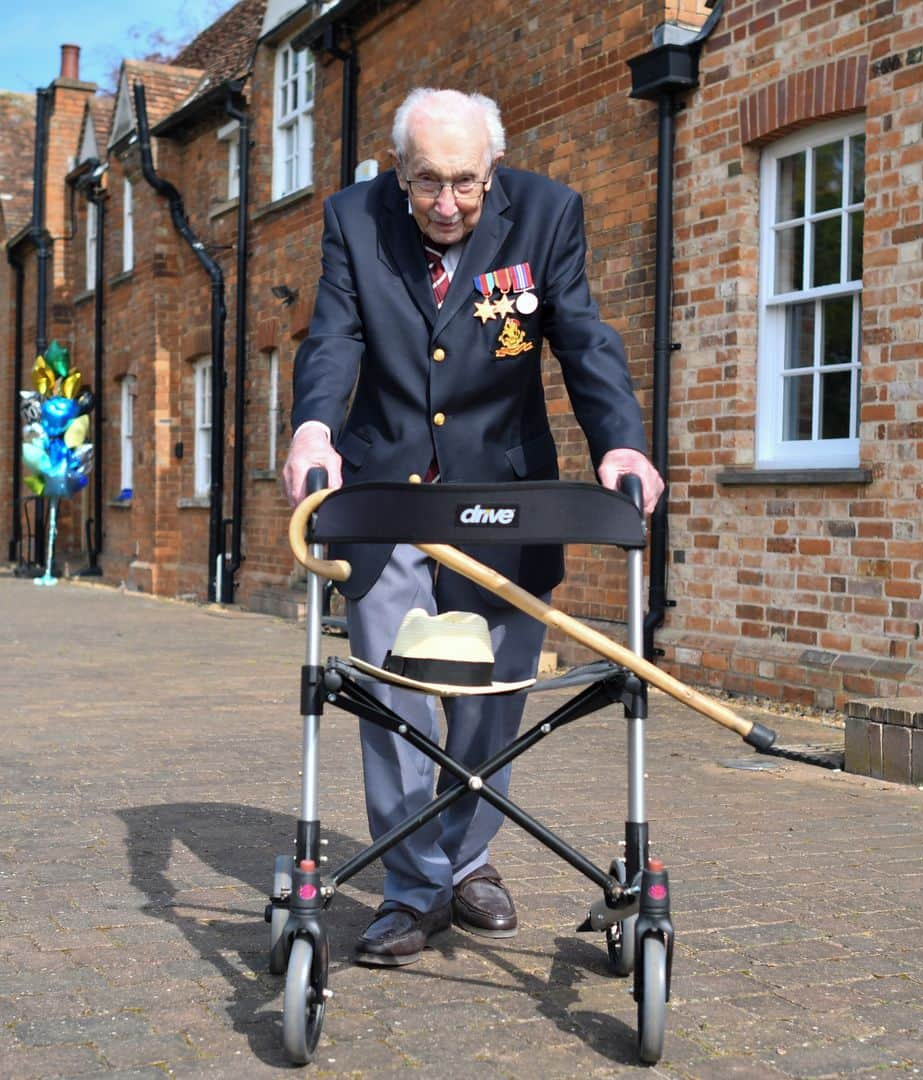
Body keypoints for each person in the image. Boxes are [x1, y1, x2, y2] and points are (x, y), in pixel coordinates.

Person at [284, 88, 664, 967]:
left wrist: (621, 448)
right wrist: (312, 429)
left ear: (493, 171)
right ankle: (415, 888)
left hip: (507, 489)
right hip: (386, 493)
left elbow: (583, 338)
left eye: (465, 183)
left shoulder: (548, 213)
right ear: (396, 170)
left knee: (494, 701)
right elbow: (333, 338)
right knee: (393, 692)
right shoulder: (352, 219)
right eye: (426, 184)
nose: (447, 204)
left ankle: (471, 859)